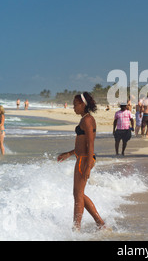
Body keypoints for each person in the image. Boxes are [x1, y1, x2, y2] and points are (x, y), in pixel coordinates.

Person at [57, 92, 105, 230]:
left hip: (85, 159)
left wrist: (88, 166)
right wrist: (69, 153)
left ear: (83, 104)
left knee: (77, 194)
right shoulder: (85, 119)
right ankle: (99, 223)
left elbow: (90, 144)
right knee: (79, 193)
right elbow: (82, 144)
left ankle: (76, 228)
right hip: (82, 157)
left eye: (75, 105)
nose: (73, 108)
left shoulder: (87, 120)